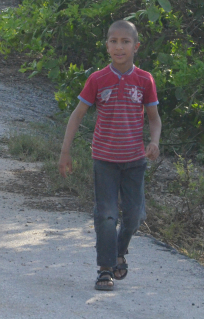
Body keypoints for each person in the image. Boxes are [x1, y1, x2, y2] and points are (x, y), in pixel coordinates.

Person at [57, 20, 161, 291]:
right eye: (113, 41)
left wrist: (155, 142)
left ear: (136, 47)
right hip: (104, 159)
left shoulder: (144, 80)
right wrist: (65, 151)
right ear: (107, 46)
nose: (119, 46)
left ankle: (119, 252)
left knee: (135, 215)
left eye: (125, 42)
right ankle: (105, 269)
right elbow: (77, 114)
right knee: (106, 215)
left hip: (135, 161)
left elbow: (154, 118)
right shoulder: (97, 79)